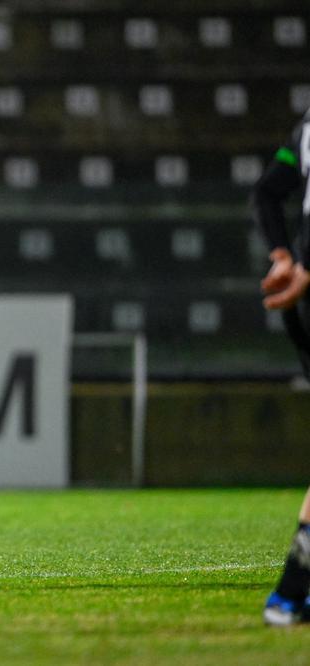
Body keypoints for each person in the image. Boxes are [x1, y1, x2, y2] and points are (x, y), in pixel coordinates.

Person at [252, 107, 310, 626]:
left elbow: (268, 190)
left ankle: (295, 592)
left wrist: (284, 255)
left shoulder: (305, 125)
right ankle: (292, 594)